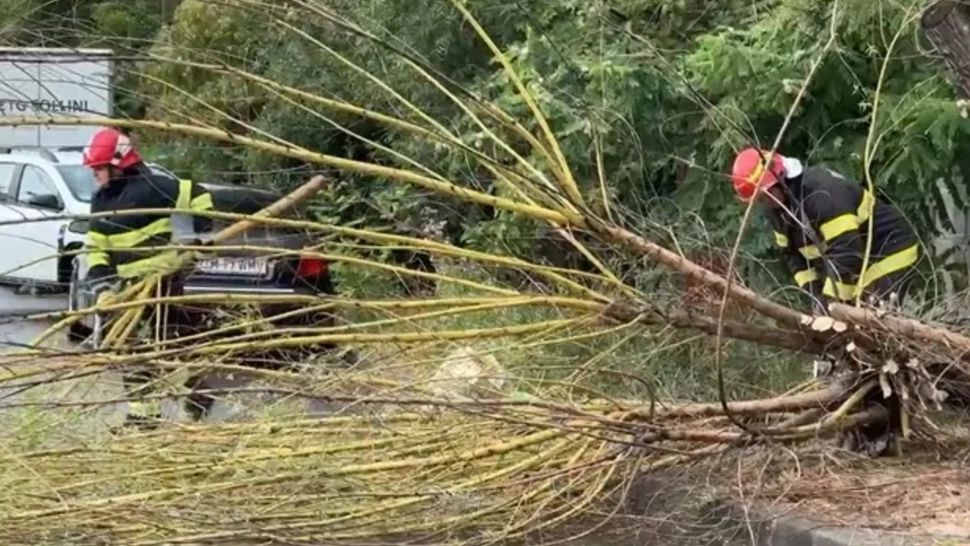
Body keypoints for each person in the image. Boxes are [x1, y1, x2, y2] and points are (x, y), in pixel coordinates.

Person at [81, 127, 214, 428]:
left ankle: (196, 406)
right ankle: (144, 419)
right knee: (134, 355)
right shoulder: (100, 201)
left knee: (181, 345)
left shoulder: (155, 187)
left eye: (98, 168)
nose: (95, 175)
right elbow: (97, 249)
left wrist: (203, 239)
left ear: (118, 163)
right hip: (128, 292)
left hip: (165, 285)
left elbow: (198, 195)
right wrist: (103, 288)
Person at [729, 147, 920, 315]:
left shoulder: (822, 195)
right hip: (855, 263)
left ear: (780, 178)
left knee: (871, 319)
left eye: (767, 194)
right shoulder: (777, 212)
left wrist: (831, 301)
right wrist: (815, 293)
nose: (767, 202)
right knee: (845, 318)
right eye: (760, 199)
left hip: (888, 253)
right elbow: (793, 257)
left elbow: (846, 249)